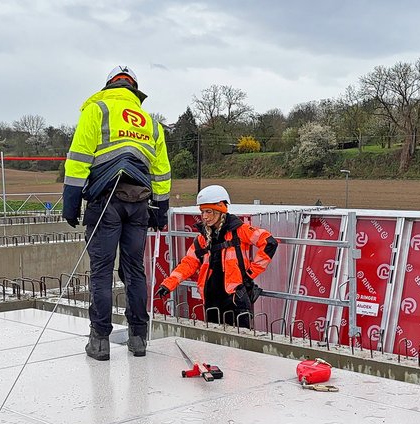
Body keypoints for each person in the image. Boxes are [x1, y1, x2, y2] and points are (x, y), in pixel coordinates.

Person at [62, 65, 172, 361]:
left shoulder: (97, 109)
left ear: (109, 85)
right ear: (135, 90)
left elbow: (78, 159)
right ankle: (139, 339)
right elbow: (161, 171)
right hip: (139, 204)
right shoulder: (150, 122)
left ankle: (99, 342)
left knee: (101, 272)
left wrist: (70, 202)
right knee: (135, 270)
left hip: (105, 202)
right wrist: (161, 210)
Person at [156, 185, 278, 328]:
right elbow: (189, 263)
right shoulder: (203, 238)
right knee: (214, 344)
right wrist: (168, 284)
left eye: (209, 211)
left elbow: (269, 242)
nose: (205, 216)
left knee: (239, 343)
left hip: (235, 299)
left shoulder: (239, 230)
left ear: (221, 210)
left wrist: (250, 273)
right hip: (211, 299)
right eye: (202, 212)